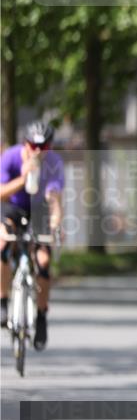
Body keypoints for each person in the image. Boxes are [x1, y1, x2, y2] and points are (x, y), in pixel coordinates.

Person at [0, 122, 64, 349]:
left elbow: (55, 197)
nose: (37, 151)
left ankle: (41, 317)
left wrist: (56, 223)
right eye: (33, 145)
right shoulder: (10, 157)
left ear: (50, 146)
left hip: (39, 211)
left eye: (43, 146)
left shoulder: (54, 162)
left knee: (44, 262)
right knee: (2, 245)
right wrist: (23, 177)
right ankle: (3, 301)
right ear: (24, 143)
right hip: (12, 209)